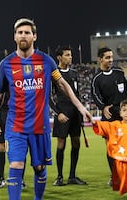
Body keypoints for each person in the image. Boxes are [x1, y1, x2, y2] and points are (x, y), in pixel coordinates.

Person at [0, 18, 92, 200]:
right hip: (15, 125)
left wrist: (80, 107)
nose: (23, 35)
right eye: (19, 32)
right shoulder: (6, 64)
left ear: (34, 36)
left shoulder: (46, 61)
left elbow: (62, 83)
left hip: (39, 127)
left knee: (39, 168)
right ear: (14, 37)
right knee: (16, 164)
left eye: (27, 32)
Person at [91, 47, 127, 185]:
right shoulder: (97, 79)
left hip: (123, 115)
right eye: (107, 57)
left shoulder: (119, 72)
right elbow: (95, 95)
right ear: (100, 59)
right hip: (109, 117)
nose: (111, 60)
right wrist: (102, 107)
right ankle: (114, 175)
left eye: (111, 57)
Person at [50, 46, 87, 186]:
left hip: (75, 113)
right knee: (61, 143)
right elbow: (48, 97)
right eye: (67, 55)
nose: (70, 57)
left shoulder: (74, 73)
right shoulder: (54, 74)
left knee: (76, 142)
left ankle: (72, 175)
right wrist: (58, 113)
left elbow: (76, 95)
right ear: (59, 57)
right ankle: (59, 177)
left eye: (71, 55)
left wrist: (81, 113)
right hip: (62, 112)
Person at [0, 91, 27, 189]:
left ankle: (20, 179)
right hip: (4, 118)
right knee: (1, 147)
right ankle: (1, 179)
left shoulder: (21, 82)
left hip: (18, 118)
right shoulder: (2, 84)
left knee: (20, 148)